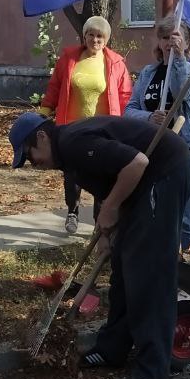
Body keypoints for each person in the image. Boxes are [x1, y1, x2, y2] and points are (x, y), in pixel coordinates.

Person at [9, 112, 190, 379]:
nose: (35, 164)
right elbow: (108, 175)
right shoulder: (68, 154)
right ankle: (112, 349)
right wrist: (107, 229)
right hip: (141, 184)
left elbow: (137, 162)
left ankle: (152, 371)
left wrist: (110, 209)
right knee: (124, 264)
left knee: (148, 273)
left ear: (42, 136)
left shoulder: (72, 142)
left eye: (31, 155)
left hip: (163, 175)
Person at [37, 16, 133, 234]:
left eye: (100, 36)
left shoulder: (116, 63)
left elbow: (125, 94)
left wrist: (125, 122)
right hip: (70, 127)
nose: (95, 40)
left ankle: (99, 222)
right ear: (85, 36)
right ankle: (72, 211)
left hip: (103, 131)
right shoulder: (70, 58)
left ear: (106, 39)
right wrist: (44, 111)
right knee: (72, 175)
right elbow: (54, 87)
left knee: (102, 175)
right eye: (91, 34)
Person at [124, 14, 190, 248]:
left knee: (184, 212)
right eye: (166, 37)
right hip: (155, 149)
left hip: (185, 149)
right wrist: (149, 117)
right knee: (156, 208)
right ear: (159, 42)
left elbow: (183, 91)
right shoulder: (149, 73)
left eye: (176, 37)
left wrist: (178, 58)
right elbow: (130, 110)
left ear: (187, 43)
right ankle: (163, 264)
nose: (170, 41)